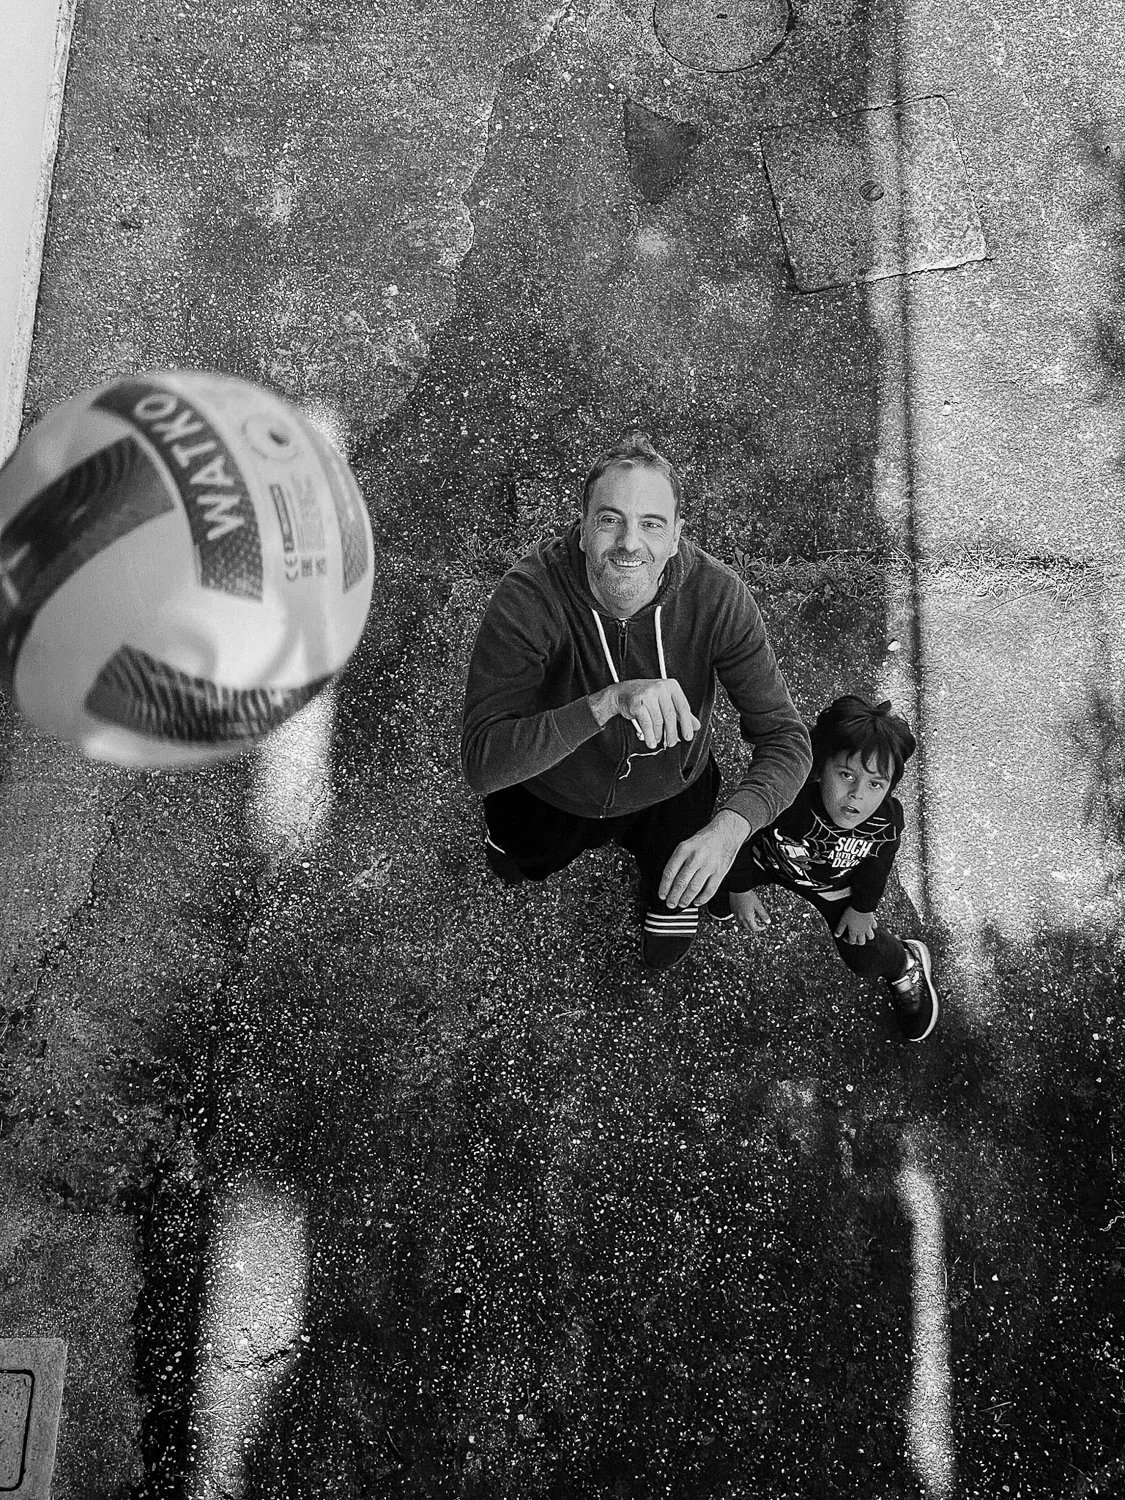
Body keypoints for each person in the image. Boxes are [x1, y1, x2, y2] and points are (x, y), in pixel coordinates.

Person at [460, 430, 812, 969]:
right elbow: (484, 764)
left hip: (676, 787)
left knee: (670, 921)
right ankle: (525, 852)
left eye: (651, 524)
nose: (629, 543)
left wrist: (731, 828)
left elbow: (786, 741)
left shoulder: (717, 598)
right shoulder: (529, 597)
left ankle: (666, 897)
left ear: (675, 537)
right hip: (551, 787)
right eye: (609, 520)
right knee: (521, 858)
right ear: (582, 529)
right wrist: (607, 702)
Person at [708, 694, 939, 1040]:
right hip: (768, 858)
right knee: (715, 870)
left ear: (890, 787)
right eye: (846, 774)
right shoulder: (788, 793)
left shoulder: (887, 820)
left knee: (862, 957)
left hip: (832, 885)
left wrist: (863, 908)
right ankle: (728, 893)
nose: (858, 795)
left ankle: (905, 962)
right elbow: (740, 834)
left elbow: (878, 865)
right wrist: (740, 889)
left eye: (876, 783)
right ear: (821, 763)